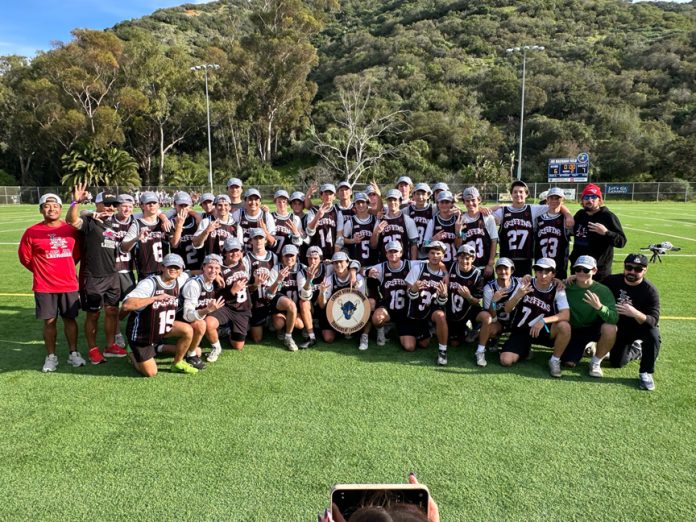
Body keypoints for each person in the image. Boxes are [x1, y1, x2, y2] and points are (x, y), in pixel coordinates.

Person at [18, 193, 85, 372]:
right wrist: (42, 271)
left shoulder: (71, 230)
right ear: (41, 210)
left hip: (69, 284)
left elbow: (77, 254)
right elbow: (25, 258)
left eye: (55, 206)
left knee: (70, 319)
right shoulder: (31, 232)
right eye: (47, 206)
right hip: (44, 286)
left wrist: (65, 267)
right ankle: (51, 357)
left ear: (61, 209)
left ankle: (74, 353)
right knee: (49, 321)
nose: (51, 209)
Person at [66, 184, 128, 365]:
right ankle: (93, 349)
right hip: (93, 276)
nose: (111, 208)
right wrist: (76, 202)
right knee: (93, 315)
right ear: (98, 204)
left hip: (112, 275)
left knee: (112, 311)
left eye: (113, 204)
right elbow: (71, 220)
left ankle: (110, 346)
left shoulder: (113, 223)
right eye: (107, 204)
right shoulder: (89, 221)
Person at [120, 253, 198, 376]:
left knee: (188, 330)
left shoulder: (180, 279)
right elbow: (127, 305)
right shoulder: (149, 284)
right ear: (162, 267)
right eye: (170, 266)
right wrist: (155, 298)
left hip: (162, 326)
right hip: (142, 332)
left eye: (177, 267)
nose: (173, 269)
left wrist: (214, 274)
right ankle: (131, 353)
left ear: (181, 270)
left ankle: (177, 363)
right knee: (151, 372)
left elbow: (190, 273)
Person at [501, 257, 571, 377]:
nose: (543, 276)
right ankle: (525, 350)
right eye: (539, 271)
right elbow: (507, 309)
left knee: (565, 326)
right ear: (535, 272)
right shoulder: (525, 283)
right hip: (522, 330)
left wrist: (543, 320)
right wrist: (518, 295)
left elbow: (566, 315)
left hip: (543, 329)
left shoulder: (558, 289)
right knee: (505, 360)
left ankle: (554, 360)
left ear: (553, 274)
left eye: (547, 272)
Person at [604, 253, 661, 391]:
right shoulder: (612, 280)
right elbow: (592, 284)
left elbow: (653, 320)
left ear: (645, 270)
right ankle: (637, 350)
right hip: (620, 327)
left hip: (640, 326)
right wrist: (574, 277)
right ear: (624, 267)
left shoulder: (650, 291)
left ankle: (646, 372)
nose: (632, 272)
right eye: (629, 267)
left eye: (638, 269)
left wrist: (634, 312)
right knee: (617, 363)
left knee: (653, 335)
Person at [493, 180, 573, 276]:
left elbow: (555, 205)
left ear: (526, 194)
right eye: (515, 192)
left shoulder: (532, 209)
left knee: (525, 284)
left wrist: (568, 215)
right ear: (511, 194)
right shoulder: (503, 211)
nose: (518, 194)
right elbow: (485, 215)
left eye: (521, 192)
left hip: (526, 260)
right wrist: (497, 207)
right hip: (507, 260)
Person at [562, 255, 618, 377]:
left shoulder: (603, 290)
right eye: (578, 269)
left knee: (610, 327)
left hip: (594, 328)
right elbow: (544, 282)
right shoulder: (566, 286)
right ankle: (588, 347)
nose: (581, 272)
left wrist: (599, 307)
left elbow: (614, 318)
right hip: (575, 330)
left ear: (594, 271)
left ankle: (596, 362)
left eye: (586, 270)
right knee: (568, 362)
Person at [570, 183, 627, 281]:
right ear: (582, 200)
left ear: (599, 200)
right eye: (586, 197)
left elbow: (622, 242)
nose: (589, 200)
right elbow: (571, 232)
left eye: (593, 197)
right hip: (578, 268)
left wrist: (606, 232)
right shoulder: (580, 215)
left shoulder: (608, 216)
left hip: (599, 271)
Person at [178, 254, 227, 369]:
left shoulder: (212, 282)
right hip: (178, 318)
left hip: (194, 316)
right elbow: (187, 316)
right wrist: (207, 310)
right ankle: (190, 355)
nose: (213, 271)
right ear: (203, 267)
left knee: (206, 322)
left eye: (217, 268)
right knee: (201, 324)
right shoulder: (194, 284)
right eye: (210, 267)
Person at [406, 241, 449, 365]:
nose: (435, 256)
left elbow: (442, 302)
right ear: (428, 254)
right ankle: (429, 330)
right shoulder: (418, 268)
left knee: (441, 315)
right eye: (432, 253)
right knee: (423, 344)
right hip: (417, 311)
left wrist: (443, 295)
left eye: (438, 253)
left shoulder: (445, 275)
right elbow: (409, 295)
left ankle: (442, 351)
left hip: (432, 309)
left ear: (443, 256)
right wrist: (414, 290)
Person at [207, 237, 251, 360]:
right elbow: (216, 296)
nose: (234, 253)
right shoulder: (217, 269)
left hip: (242, 309)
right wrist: (232, 291)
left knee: (238, 346)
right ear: (225, 252)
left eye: (237, 250)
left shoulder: (245, 263)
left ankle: (227, 330)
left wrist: (256, 284)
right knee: (209, 323)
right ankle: (216, 347)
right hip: (226, 307)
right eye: (231, 251)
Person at [317, 251, 371, 351]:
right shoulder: (328, 279)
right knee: (328, 338)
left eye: (341, 261)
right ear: (332, 264)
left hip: (353, 311)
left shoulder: (357, 278)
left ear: (347, 263)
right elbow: (322, 305)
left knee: (370, 304)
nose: (338, 265)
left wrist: (350, 323)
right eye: (335, 262)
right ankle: (340, 330)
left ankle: (364, 335)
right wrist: (322, 293)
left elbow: (362, 303)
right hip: (335, 312)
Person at [447, 244, 489, 367]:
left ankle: (480, 347)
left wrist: (468, 296)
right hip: (453, 310)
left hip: (470, 308)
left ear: (473, 259)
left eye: (468, 258)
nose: (464, 261)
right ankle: (466, 330)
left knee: (486, 317)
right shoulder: (450, 267)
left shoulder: (477, 274)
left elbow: (478, 301)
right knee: (454, 344)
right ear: (457, 258)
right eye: (462, 257)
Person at [368, 241, 413, 350]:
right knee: (377, 318)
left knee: (409, 347)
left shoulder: (410, 265)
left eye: (395, 251)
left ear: (401, 253)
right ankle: (381, 330)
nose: (393, 254)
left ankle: (397, 328)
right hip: (387, 307)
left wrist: (444, 271)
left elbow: (430, 263)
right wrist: (366, 272)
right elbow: (362, 269)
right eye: (390, 252)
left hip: (405, 311)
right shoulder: (381, 267)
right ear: (386, 254)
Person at [119, 191, 173, 280]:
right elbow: (123, 248)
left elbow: (175, 244)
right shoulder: (137, 223)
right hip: (145, 273)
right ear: (141, 206)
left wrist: (165, 219)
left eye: (154, 203)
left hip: (164, 272)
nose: (152, 205)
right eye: (148, 203)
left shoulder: (165, 222)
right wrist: (136, 238)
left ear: (158, 205)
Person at [481, 257, 521, 353]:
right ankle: (495, 338)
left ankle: (522, 342)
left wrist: (555, 281)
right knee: (489, 330)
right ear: (496, 271)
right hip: (497, 321)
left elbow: (539, 281)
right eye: (499, 269)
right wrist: (494, 302)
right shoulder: (489, 288)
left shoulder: (519, 284)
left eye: (506, 268)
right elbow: (491, 314)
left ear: (512, 270)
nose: (503, 271)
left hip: (516, 322)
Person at [267, 244, 303, 351]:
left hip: (295, 305)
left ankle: (287, 325)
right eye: (286, 256)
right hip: (280, 303)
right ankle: (288, 337)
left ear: (296, 256)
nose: (289, 258)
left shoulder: (302, 268)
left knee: (300, 325)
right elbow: (269, 294)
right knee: (279, 324)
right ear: (282, 257)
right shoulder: (276, 268)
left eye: (292, 255)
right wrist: (279, 279)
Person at [246, 228, 279, 343]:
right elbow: (245, 287)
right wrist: (255, 284)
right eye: (255, 238)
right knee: (257, 339)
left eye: (261, 238)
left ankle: (271, 320)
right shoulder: (246, 259)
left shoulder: (274, 257)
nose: (258, 241)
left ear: (265, 240)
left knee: (278, 324)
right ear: (251, 241)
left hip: (271, 299)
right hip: (256, 301)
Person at [534, 187, 572, 279]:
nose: (554, 201)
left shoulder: (566, 220)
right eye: (551, 198)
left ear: (563, 200)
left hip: (559, 266)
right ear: (547, 200)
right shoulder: (538, 218)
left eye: (557, 198)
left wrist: (568, 215)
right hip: (541, 264)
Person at [459, 187, 497, 278]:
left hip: (485, 266)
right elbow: (460, 243)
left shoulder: (488, 218)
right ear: (464, 202)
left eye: (473, 200)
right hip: (468, 267)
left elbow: (494, 241)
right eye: (467, 201)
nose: (470, 203)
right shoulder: (461, 220)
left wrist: (490, 264)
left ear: (479, 200)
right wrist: (458, 232)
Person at [371, 189, 419, 261]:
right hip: (384, 262)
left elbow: (414, 244)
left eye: (395, 200)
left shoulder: (407, 220)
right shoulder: (380, 220)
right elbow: (373, 245)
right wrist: (376, 233)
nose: (392, 202)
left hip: (403, 262)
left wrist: (413, 262)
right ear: (387, 202)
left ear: (400, 202)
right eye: (390, 200)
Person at [297, 245, 325, 349]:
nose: (313, 261)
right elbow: (304, 297)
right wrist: (309, 280)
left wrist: (353, 271)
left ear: (321, 258)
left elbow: (352, 263)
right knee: (303, 303)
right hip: (311, 306)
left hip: (325, 304)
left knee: (329, 338)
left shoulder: (328, 268)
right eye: (310, 258)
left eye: (315, 258)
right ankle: (312, 337)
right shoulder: (302, 273)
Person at [423, 190, 461, 267]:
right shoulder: (433, 221)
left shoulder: (458, 220)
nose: (444, 205)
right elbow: (424, 245)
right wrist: (433, 239)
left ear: (452, 204)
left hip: (455, 264)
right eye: (442, 202)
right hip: (438, 265)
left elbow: (460, 244)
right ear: (437, 204)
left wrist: (458, 233)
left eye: (447, 202)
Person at [306, 183, 344, 259]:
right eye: (326, 194)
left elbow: (339, 236)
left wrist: (335, 257)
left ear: (334, 196)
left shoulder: (338, 211)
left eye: (330, 194)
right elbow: (309, 231)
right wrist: (317, 217)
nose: (328, 197)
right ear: (321, 196)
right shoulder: (314, 210)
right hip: (316, 254)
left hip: (332, 252)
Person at [170, 191, 204, 270]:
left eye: (185, 205)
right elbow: (174, 244)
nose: (183, 208)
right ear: (175, 205)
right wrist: (179, 225)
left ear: (190, 205)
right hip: (180, 267)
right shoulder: (171, 222)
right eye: (180, 205)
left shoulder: (197, 220)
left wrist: (195, 215)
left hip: (198, 266)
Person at [270, 189, 304, 257]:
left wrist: (296, 233)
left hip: (289, 257)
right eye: (279, 202)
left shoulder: (295, 218)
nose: (282, 204)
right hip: (273, 255)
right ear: (275, 202)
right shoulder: (270, 217)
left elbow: (300, 242)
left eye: (284, 202)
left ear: (288, 203)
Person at [404, 182, 434, 257]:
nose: (420, 197)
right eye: (418, 194)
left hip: (427, 251)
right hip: (410, 249)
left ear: (428, 195)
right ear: (413, 195)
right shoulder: (407, 210)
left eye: (423, 194)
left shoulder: (433, 209)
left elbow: (447, 208)